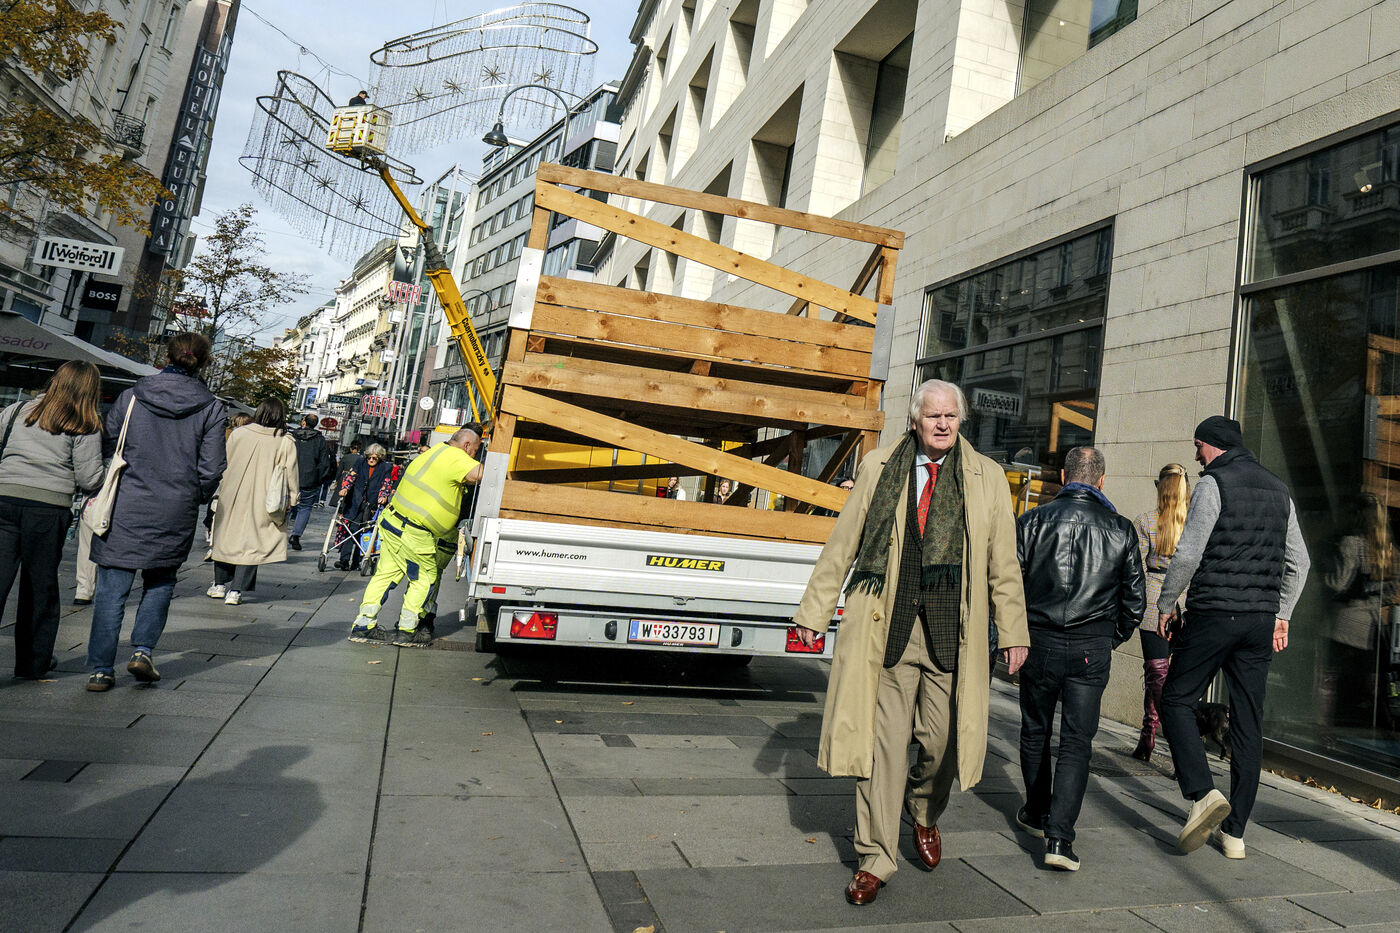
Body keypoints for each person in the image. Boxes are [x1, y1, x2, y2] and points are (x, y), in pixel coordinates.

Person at [791, 379, 1029, 906]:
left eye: (951, 416)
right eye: (933, 415)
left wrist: (1014, 631)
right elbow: (845, 542)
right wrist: (814, 610)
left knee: (944, 744)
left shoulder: (987, 477)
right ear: (916, 420)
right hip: (888, 631)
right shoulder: (880, 466)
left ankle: (923, 808)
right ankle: (874, 857)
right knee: (883, 751)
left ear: (960, 420)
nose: (942, 424)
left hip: (952, 635)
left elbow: (1004, 564)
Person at [1157, 416, 1311, 858]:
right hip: (1259, 622)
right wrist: (1282, 613)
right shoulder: (1280, 490)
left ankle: (1202, 793)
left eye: (1198, 446)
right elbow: (1299, 562)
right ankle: (1235, 834)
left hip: (1214, 614)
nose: (1196, 455)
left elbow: (1189, 553)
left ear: (1215, 445)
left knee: (1176, 699)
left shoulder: (1214, 483)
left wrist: (1166, 603)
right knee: (1248, 723)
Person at [1014, 446, 1144, 871]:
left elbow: (1009, 585)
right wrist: (1109, 637)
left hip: (1038, 639)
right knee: (1076, 742)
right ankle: (1059, 838)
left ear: (1063, 476)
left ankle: (1037, 811)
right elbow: (1135, 602)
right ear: (1101, 481)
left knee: (1035, 730)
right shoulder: (1121, 529)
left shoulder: (1032, 521)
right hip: (1091, 646)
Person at [86, 332, 226, 692]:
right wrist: (193, 494)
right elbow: (212, 467)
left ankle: (101, 669)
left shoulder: (132, 396)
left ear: (167, 355)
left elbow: (108, 441)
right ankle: (143, 651)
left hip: (125, 504)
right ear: (204, 362)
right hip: (175, 507)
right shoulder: (211, 407)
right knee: (161, 581)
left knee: (111, 588)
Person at [0, 361, 105, 679]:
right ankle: (33, 662)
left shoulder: (17, 411)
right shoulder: (85, 423)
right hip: (48, 508)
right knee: (40, 587)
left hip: (4, 499)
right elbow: (89, 478)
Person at [348, 427, 483, 647]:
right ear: (467, 445)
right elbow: (482, 474)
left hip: (393, 522)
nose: (474, 456)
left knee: (385, 575)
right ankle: (407, 630)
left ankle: (363, 625)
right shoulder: (456, 457)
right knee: (425, 578)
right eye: (475, 450)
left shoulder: (434, 451)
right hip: (415, 531)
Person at [209, 399, 299, 606]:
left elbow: (223, 461)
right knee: (252, 544)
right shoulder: (285, 441)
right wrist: (293, 497)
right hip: (265, 498)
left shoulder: (239, 434)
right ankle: (236, 590)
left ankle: (219, 584)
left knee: (225, 537)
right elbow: (291, 473)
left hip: (232, 493)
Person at [1321, 493, 1396, 736]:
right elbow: (1392, 590)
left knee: (1330, 682)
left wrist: (1322, 578)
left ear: (1358, 515)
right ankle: (1379, 733)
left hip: (1343, 624)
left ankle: (1325, 733)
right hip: (1370, 628)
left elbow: (1338, 583)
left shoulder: (1351, 543)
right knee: (1367, 686)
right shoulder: (1390, 550)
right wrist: (1373, 602)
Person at [1131, 463, 1191, 761]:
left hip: (1155, 601)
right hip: (1187, 603)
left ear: (1161, 489)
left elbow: (1136, 569)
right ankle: (1152, 736)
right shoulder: (1195, 524)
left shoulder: (1145, 521)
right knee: (1165, 677)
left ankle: (1155, 734)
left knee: (1157, 675)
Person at [334, 443, 392, 570]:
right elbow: (351, 476)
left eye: (374, 458)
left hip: (370, 504)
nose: (371, 460)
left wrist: (383, 496)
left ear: (379, 457)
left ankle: (357, 561)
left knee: (363, 532)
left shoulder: (385, 467)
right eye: (369, 457)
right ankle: (344, 560)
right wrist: (345, 488)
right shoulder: (360, 462)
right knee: (350, 529)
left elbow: (386, 483)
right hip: (354, 501)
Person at [287, 413, 334, 550]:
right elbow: (324, 463)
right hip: (310, 479)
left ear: (304, 422)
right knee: (305, 507)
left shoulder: (292, 437)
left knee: (286, 505)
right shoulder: (320, 440)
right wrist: (318, 479)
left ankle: (278, 533)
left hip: (290, 476)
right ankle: (296, 535)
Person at [330, 440, 360, 506]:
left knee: (340, 495)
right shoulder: (361, 459)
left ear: (350, 448)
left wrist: (336, 479)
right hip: (355, 478)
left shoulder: (345, 457)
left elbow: (339, 470)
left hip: (344, 477)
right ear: (359, 449)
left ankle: (339, 506)